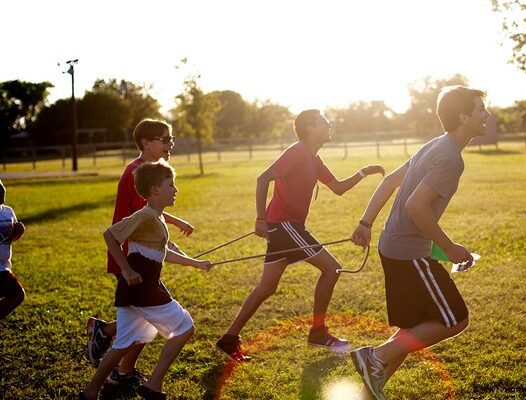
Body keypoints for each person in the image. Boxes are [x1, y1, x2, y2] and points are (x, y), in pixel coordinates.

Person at [349, 86, 491, 400]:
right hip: (407, 251)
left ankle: (368, 392)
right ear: (463, 116)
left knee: (413, 328)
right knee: (454, 318)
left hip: (394, 246)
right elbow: (416, 207)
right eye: (481, 109)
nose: (487, 115)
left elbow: (389, 180)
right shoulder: (450, 157)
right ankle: (373, 356)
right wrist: (451, 247)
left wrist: (365, 222)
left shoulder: (435, 145)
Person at [216, 109, 385, 362]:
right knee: (332, 269)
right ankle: (318, 332)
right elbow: (263, 179)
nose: (329, 124)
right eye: (324, 122)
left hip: (285, 227)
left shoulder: (313, 158)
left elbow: (337, 188)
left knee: (267, 287)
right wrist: (260, 218)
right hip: (285, 227)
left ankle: (228, 339)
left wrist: (363, 172)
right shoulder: (296, 152)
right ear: (310, 129)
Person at [79, 160, 212, 400]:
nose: (175, 189)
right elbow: (110, 235)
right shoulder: (146, 215)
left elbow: (161, 254)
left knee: (123, 342)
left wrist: (195, 263)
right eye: (171, 185)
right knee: (185, 327)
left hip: (137, 289)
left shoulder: (157, 218)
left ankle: (90, 391)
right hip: (143, 288)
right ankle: (153, 385)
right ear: (154, 190)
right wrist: (127, 269)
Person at [86, 119, 194, 387]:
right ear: (146, 142)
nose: (170, 144)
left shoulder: (151, 171)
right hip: (132, 258)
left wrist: (176, 224)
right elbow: (145, 214)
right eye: (165, 139)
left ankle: (118, 367)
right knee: (147, 315)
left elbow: (153, 213)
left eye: (171, 139)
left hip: (143, 255)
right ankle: (111, 348)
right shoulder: (138, 172)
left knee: (140, 319)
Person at [0, 179, 26, 320]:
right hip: (0, 270)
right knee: (17, 294)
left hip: (5, 266)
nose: (1, 189)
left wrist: (18, 233)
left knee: (15, 295)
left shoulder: (8, 212)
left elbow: (10, 239)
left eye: (1, 185)